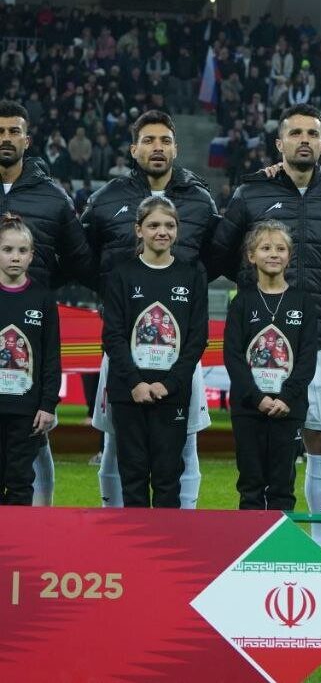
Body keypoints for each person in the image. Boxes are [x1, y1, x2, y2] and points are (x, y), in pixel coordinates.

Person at [210, 103, 321, 550]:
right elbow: (218, 256)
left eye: (312, 134)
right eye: (296, 133)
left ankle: (320, 545)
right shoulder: (251, 194)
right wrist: (255, 286)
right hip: (261, 341)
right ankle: (256, 541)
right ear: (279, 143)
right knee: (261, 441)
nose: (304, 140)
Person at [83, 109, 220, 509]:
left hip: (179, 351)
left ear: (175, 148)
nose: (157, 148)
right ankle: (116, 526)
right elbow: (82, 258)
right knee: (115, 444)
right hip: (122, 349)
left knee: (184, 445)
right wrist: (113, 291)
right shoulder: (105, 200)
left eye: (164, 141)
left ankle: (183, 522)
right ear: (134, 149)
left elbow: (217, 257)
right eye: (148, 140)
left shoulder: (200, 201)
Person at [0, 101, 94, 507]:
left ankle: (35, 530)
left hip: (29, 332)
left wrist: (37, 287)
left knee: (32, 447)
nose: (6, 139)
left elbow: (80, 260)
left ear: (27, 139)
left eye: (13, 131)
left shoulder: (53, 198)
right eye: (0, 131)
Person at [101, 196, 208, 508]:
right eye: (154, 225)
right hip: (128, 392)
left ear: (177, 230)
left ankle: (166, 539)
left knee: (167, 478)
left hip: (172, 394)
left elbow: (196, 339)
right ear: (139, 230)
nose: (162, 231)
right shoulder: (121, 274)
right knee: (132, 477)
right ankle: (135, 541)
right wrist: (135, 383)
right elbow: (113, 336)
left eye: (169, 225)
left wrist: (169, 384)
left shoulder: (191, 275)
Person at [224, 221, 317, 510]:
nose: (273, 254)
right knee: (250, 484)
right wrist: (257, 398)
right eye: (265, 248)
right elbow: (233, 356)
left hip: (288, 408)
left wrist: (287, 397)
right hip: (249, 408)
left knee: (282, 485)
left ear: (289, 256)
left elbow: (307, 358)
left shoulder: (303, 302)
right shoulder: (241, 302)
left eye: (280, 248)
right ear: (251, 256)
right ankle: (249, 537)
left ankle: (281, 537)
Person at [0, 214, 59, 505]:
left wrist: (48, 405)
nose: (15, 257)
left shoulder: (43, 298)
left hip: (27, 411)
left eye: (22, 251)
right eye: (7, 249)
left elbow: (51, 357)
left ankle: (17, 533)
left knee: (20, 481)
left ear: (32, 255)